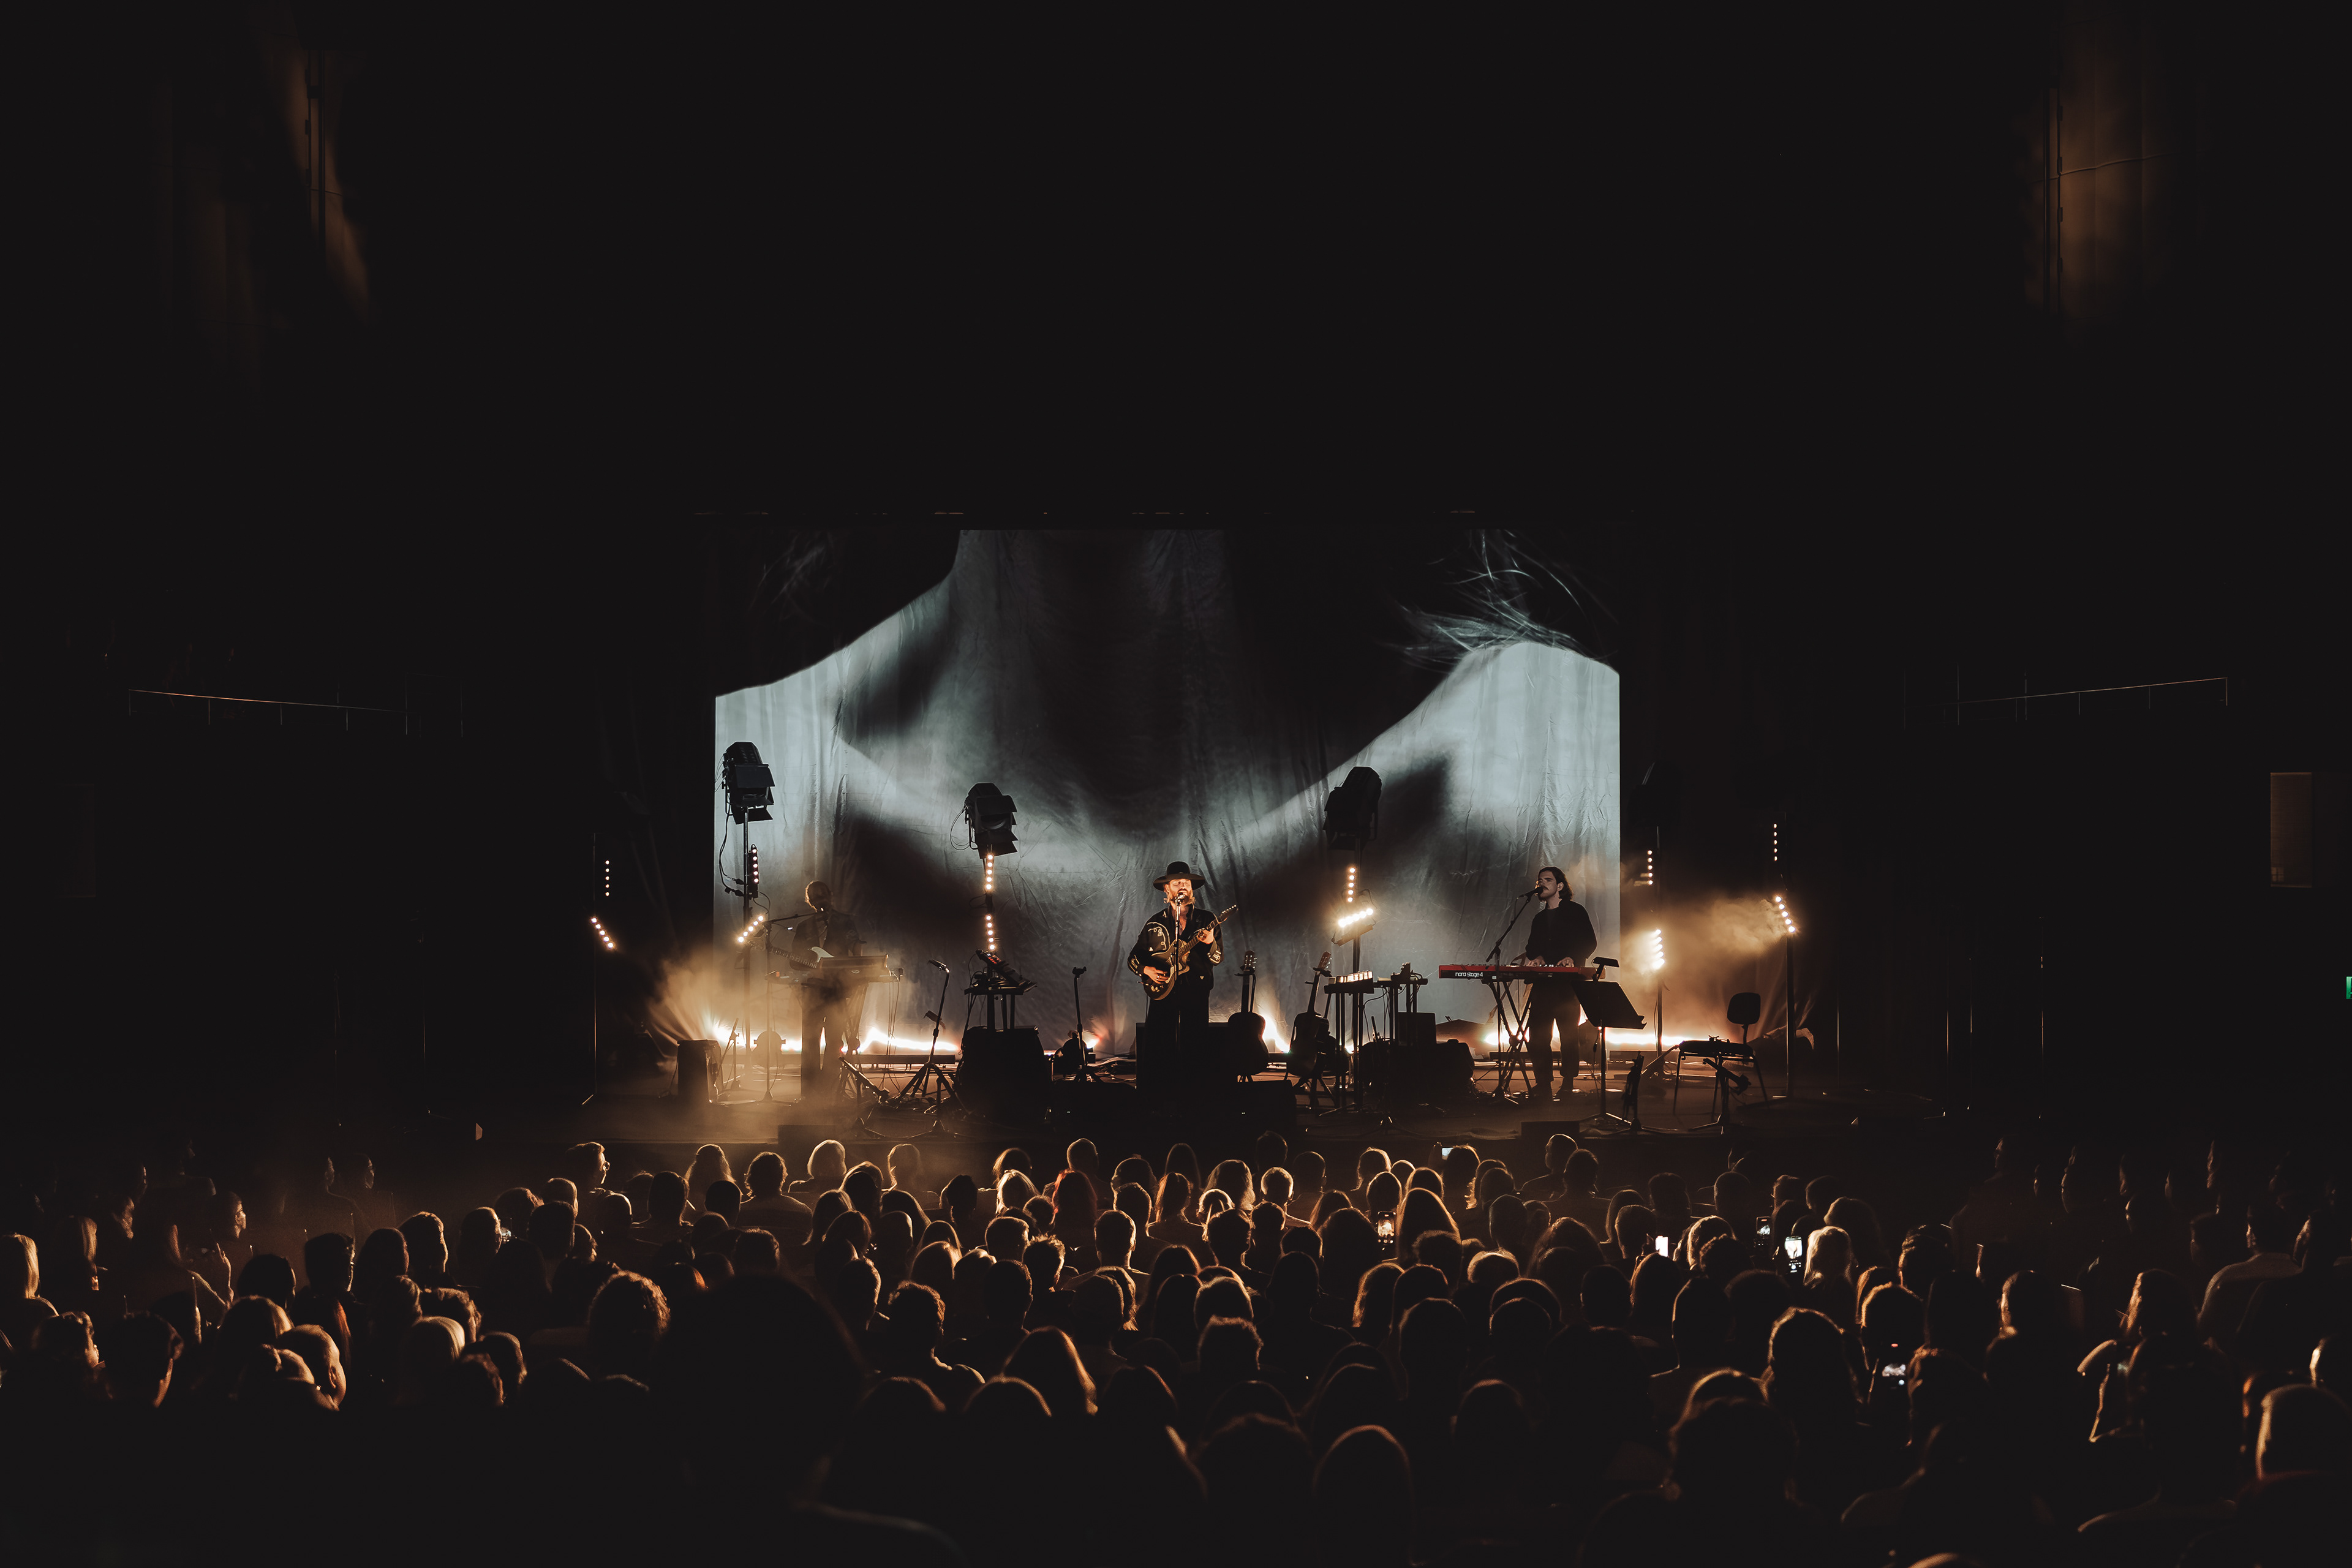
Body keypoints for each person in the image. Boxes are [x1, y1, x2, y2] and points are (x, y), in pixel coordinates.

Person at [1128, 862, 1223, 1093]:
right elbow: (1134, 958)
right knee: (1159, 1042)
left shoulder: (1207, 919)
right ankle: (1159, 1094)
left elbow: (1218, 958)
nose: (1183, 887)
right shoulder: (1155, 923)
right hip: (1162, 991)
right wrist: (1147, 971)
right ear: (1167, 890)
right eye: (1177, 883)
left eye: (1187, 884)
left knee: (1195, 1042)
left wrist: (1210, 942)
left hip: (1196, 990)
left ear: (1192, 890)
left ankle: (1193, 1094)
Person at [1508, 865, 1597, 1103]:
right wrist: (1536, 958)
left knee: (1568, 1036)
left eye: (1547, 880)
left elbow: (1589, 941)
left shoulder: (1576, 912)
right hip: (1543, 985)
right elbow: (1532, 947)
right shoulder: (1538, 919)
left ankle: (1568, 1084)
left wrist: (1573, 958)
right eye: (1539, 880)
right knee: (1538, 1038)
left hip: (1567, 985)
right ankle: (1543, 1084)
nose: (1541, 883)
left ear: (1560, 886)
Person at [780, 880, 864, 1098]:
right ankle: (809, 1093)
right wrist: (808, 966)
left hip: (837, 988)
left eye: (823, 895)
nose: (821, 900)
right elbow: (794, 960)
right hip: (812, 989)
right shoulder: (804, 926)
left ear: (831, 895)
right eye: (815, 897)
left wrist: (856, 976)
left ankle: (829, 1090)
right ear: (810, 901)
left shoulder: (845, 922)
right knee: (810, 1040)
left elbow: (857, 951)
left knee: (834, 1041)